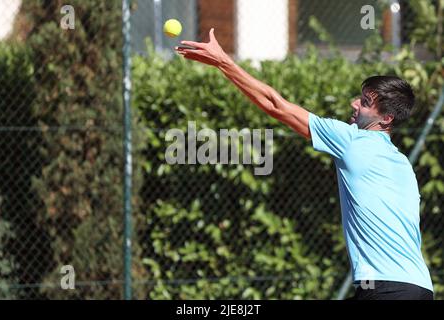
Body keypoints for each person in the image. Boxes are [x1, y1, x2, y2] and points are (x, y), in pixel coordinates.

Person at [175, 28, 434, 300]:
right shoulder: (403, 164)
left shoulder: (352, 141)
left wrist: (223, 62)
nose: (354, 103)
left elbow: (275, 105)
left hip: (385, 290)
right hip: (419, 287)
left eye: (366, 102)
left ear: (387, 119)